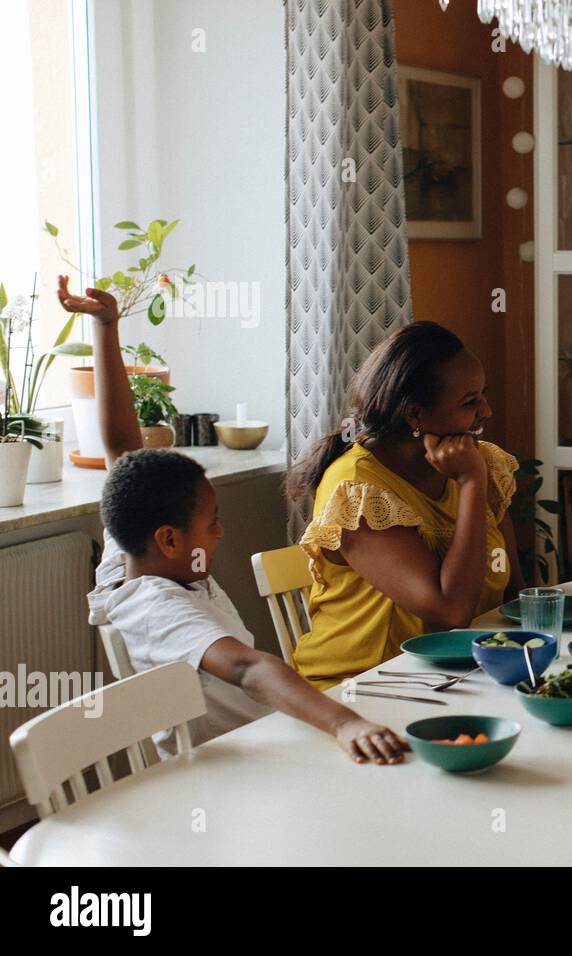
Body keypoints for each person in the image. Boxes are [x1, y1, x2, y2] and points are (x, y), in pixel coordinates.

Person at [59, 276, 407, 764]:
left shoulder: (133, 557)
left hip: (269, 742)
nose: (220, 531)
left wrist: (105, 326)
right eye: (212, 522)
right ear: (169, 539)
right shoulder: (158, 611)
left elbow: (121, 447)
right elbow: (246, 668)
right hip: (239, 766)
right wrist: (344, 721)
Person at [285, 322, 524, 689]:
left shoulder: (481, 463)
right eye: (469, 402)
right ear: (415, 415)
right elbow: (450, 611)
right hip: (362, 688)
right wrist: (472, 484)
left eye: (483, 395)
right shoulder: (357, 488)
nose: (487, 411)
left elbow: (515, 599)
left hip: (459, 677)